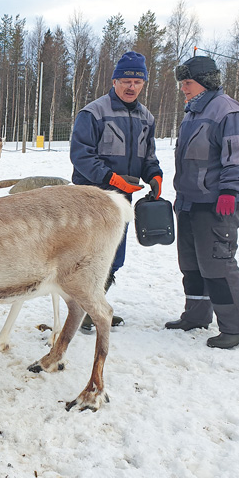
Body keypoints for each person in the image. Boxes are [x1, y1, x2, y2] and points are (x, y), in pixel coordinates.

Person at [166, 55, 239, 349]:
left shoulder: (228, 112)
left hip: (218, 204)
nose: (183, 88)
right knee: (191, 264)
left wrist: (229, 191)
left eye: (187, 83)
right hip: (190, 201)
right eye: (182, 83)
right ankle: (196, 315)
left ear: (205, 83)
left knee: (218, 265)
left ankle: (237, 327)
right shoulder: (193, 112)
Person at [70, 51, 163, 330]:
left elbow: (149, 157)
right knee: (88, 257)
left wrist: (154, 174)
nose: (131, 86)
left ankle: (91, 308)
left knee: (114, 257)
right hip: (92, 197)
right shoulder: (93, 112)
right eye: (125, 80)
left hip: (122, 200)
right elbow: (81, 156)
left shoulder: (146, 117)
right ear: (114, 81)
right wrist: (111, 179)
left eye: (137, 81)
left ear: (144, 84)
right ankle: (81, 312)